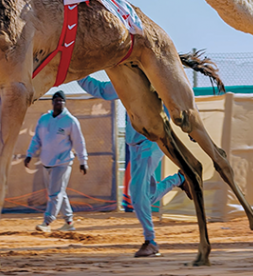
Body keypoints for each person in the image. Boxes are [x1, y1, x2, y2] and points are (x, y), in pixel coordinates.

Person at [78, 75, 191, 258]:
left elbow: (176, 104)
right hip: (135, 146)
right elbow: (100, 89)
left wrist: (189, 126)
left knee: (137, 194)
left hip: (150, 143)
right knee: (144, 195)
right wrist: (79, 74)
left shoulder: (157, 83)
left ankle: (151, 241)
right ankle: (179, 179)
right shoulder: (126, 83)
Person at [24, 90, 88, 233]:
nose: (59, 102)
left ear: (64, 103)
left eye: (61, 100)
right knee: (59, 192)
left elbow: (79, 142)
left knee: (54, 193)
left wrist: (83, 161)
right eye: (56, 100)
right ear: (52, 102)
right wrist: (29, 154)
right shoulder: (44, 119)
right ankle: (69, 222)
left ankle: (47, 222)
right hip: (46, 162)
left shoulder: (70, 121)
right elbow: (37, 139)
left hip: (63, 162)